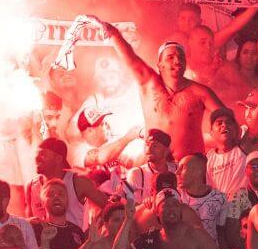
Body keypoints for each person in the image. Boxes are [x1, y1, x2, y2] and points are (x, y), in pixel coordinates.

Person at [93, 18, 225, 156]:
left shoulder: (200, 92)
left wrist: (215, 140)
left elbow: (226, 120)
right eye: (170, 57)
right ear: (160, 65)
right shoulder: (149, 84)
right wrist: (113, 34)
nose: (177, 60)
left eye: (181, 57)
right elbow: (131, 59)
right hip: (155, 166)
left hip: (190, 168)